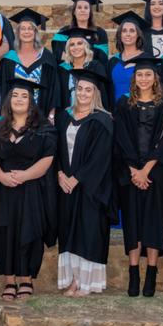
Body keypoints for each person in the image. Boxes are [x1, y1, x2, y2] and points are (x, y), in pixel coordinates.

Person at [113, 56, 163, 297]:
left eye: (148, 74)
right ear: (134, 79)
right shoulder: (123, 105)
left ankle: (151, 274)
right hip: (130, 175)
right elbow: (121, 139)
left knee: (154, 225)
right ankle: (133, 275)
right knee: (133, 224)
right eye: (139, 75)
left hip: (155, 175)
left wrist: (145, 171)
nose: (143, 78)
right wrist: (133, 170)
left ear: (155, 78)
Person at [0, 78, 56, 301]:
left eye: (24, 96)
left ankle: (26, 278)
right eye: (15, 95)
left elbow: (48, 159)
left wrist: (25, 175)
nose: (19, 99)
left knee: (30, 232)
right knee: (5, 232)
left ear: (31, 102)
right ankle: (9, 280)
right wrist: (0, 176)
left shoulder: (43, 129)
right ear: (9, 100)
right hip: (4, 189)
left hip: (32, 189)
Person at [54, 65, 115, 297]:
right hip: (65, 185)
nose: (82, 93)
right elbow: (56, 150)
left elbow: (101, 157)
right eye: (79, 89)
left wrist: (77, 178)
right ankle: (72, 280)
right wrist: (60, 174)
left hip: (91, 188)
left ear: (95, 93)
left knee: (87, 231)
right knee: (69, 231)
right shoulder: (64, 117)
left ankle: (86, 282)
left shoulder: (102, 120)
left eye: (88, 90)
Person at [0, 8, 60, 120]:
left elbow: (54, 87)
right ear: (18, 33)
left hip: (41, 114)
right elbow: (4, 89)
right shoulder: (9, 58)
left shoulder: (47, 57)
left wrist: (52, 114)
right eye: (23, 29)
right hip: (13, 117)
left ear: (35, 32)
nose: (26, 32)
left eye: (30, 28)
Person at [56, 28, 109, 110]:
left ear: (86, 46)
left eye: (79, 43)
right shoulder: (62, 69)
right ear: (68, 48)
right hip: (68, 114)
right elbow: (59, 95)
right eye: (72, 44)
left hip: (92, 113)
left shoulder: (96, 66)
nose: (76, 47)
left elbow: (103, 94)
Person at [52, 0, 109, 65]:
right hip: (68, 72)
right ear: (74, 12)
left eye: (86, 8)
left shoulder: (100, 33)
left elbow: (103, 59)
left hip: (92, 73)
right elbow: (59, 56)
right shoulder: (63, 33)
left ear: (90, 12)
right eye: (79, 7)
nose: (83, 10)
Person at [107, 11, 147, 102]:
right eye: (124, 31)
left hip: (139, 110)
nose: (128, 34)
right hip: (116, 112)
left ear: (138, 35)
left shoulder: (146, 59)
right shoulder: (113, 61)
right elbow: (108, 89)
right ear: (120, 35)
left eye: (132, 31)